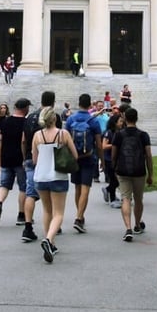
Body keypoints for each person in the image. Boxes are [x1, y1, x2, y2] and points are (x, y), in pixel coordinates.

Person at [32, 106, 78, 263]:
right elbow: (75, 154)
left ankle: (51, 243)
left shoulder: (37, 135)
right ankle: (49, 239)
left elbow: (34, 159)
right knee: (58, 213)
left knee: (47, 210)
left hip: (41, 176)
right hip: (58, 175)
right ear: (55, 119)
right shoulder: (63, 134)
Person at [20, 90, 60, 243]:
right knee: (52, 194)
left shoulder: (30, 117)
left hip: (31, 158)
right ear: (53, 101)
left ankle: (28, 226)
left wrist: (25, 158)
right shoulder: (53, 117)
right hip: (49, 161)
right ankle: (53, 225)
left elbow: (24, 140)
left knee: (31, 193)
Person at [112, 107, 153, 242]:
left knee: (125, 198)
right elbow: (148, 155)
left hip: (123, 170)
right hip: (139, 171)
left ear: (124, 118)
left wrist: (114, 167)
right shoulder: (143, 135)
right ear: (137, 118)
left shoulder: (119, 134)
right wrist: (150, 173)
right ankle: (137, 224)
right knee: (138, 199)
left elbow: (114, 154)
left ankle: (128, 228)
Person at [64, 93, 103, 234]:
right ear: (90, 105)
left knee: (77, 188)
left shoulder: (70, 119)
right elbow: (99, 144)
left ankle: (79, 215)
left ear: (79, 103)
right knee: (86, 188)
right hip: (88, 157)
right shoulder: (93, 121)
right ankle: (79, 217)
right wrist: (102, 160)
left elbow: (66, 139)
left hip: (74, 158)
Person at [0, 97, 30, 227]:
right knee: (23, 187)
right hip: (19, 159)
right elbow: (24, 141)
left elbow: (0, 138)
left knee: (4, 185)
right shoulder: (26, 123)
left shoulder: (5, 121)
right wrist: (25, 158)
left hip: (6, 157)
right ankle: (21, 214)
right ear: (25, 108)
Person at [101, 111, 124, 208]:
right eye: (120, 121)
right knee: (114, 180)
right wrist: (114, 144)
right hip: (109, 159)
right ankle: (112, 197)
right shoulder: (108, 132)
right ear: (115, 122)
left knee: (116, 179)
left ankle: (110, 192)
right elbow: (104, 146)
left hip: (117, 159)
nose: (122, 123)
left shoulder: (120, 132)